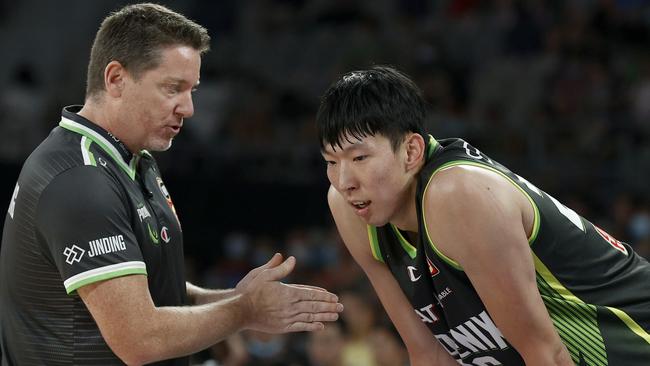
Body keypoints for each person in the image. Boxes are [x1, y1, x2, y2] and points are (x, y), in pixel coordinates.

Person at [0, 4, 342, 365]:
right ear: (116, 78)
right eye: (172, 88)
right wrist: (242, 312)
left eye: (192, 89)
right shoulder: (79, 180)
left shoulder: (134, 159)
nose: (188, 108)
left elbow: (159, 293)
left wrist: (233, 302)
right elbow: (139, 339)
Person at [316, 66, 650, 366]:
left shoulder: (459, 195)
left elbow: (547, 355)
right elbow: (429, 355)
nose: (344, 182)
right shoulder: (349, 208)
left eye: (359, 158)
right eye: (331, 161)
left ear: (412, 151)